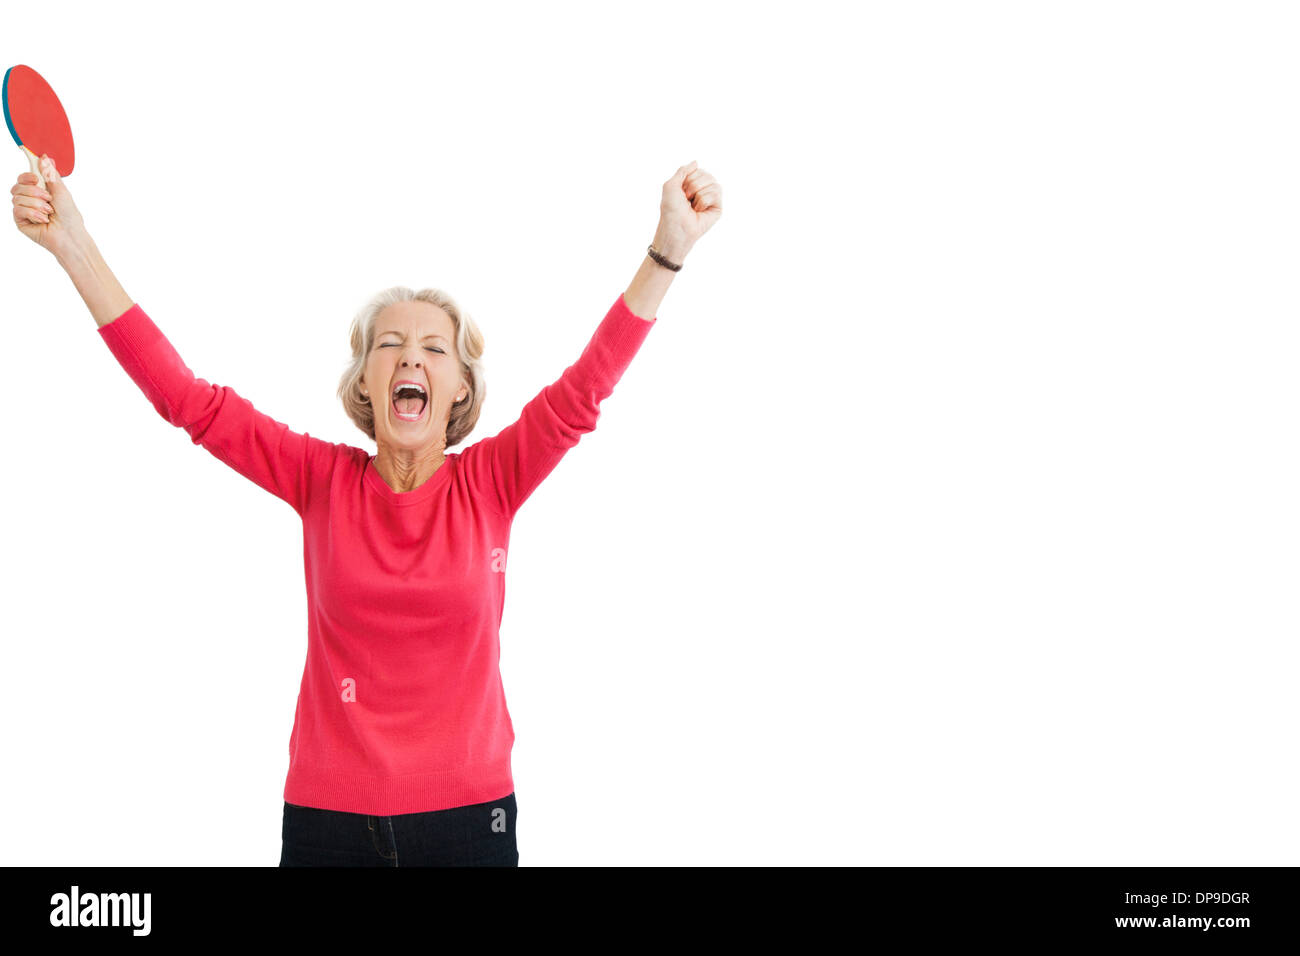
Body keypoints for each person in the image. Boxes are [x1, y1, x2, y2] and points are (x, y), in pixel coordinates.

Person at [11, 154, 722, 866]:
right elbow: (187, 401)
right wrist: (72, 244)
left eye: (433, 349)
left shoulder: (493, 481)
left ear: (459, 393)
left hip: (471, 822)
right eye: (391, 344)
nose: (411, 358)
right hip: (328, 821)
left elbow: (582, 392)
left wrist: (668, 251)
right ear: (366, 383)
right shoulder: (320, 480)